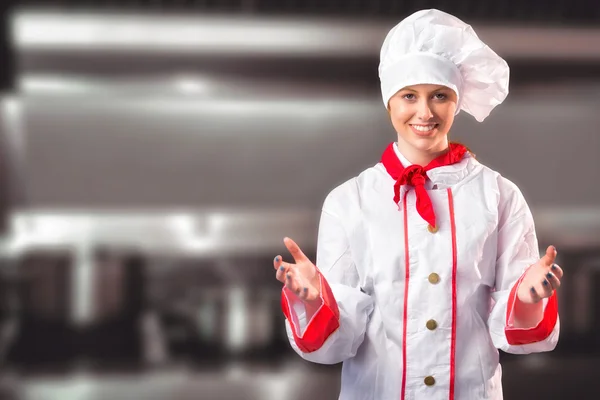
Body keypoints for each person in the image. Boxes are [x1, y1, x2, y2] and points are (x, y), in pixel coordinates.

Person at [272, 8, 563, 400]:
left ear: (456, 103)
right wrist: (315, 299)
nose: (425, 112)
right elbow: (339, 342)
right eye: (410, 95)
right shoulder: (349, 201)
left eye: (439, 96)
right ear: (389, 102)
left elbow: (512, 329)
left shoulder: (499, 195)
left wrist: (526, 298)